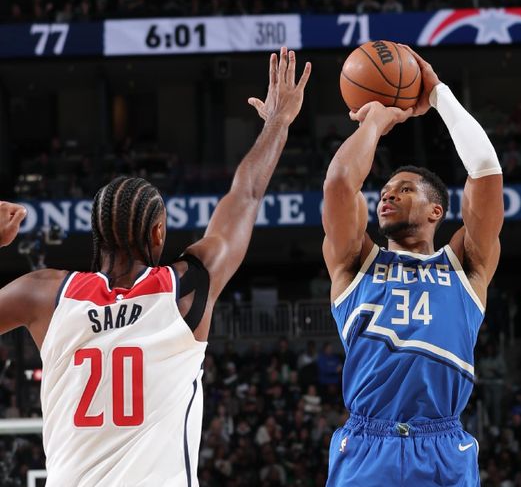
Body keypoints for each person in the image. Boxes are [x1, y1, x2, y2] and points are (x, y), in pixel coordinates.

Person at [0, 47, 311, 486]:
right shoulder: (186, 289)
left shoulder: (43, 294)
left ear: (95, 234)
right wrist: (278, 122)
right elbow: (246, 196)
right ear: (159, 234)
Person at [322, 46, 504, 486]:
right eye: (384, 190)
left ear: (436, 211)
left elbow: (485, 168)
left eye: (403, 189)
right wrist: (375, 122)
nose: (386, 195)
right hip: (367, 442)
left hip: (442, 445)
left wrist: (439, 95)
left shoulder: (466, 265)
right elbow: (341, 183)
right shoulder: (354, 264)